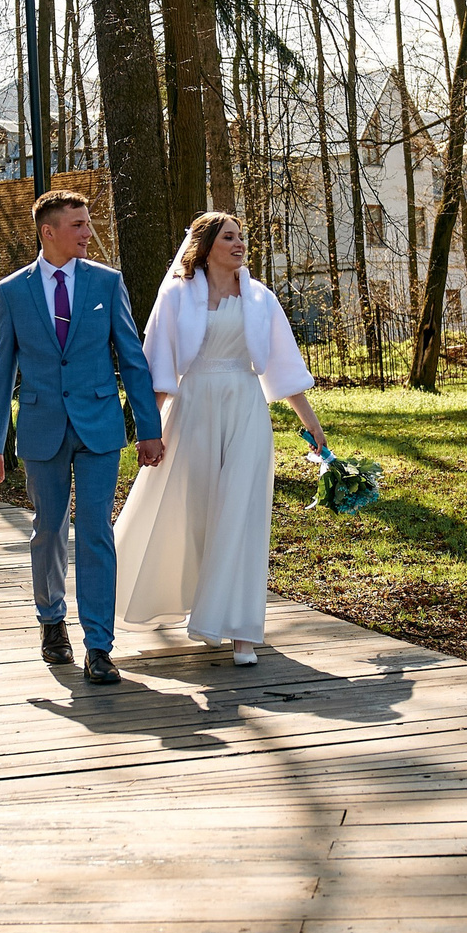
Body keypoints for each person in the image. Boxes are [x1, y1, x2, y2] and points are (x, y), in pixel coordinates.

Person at [114, 212, 324, 667]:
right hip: (193, 411)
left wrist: (312, 426)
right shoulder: (176, 296)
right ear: (205, 246)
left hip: (246, 407)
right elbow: (161, 368)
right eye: (229, 237)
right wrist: (148, 429)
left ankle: (242, 631)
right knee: (195, 515)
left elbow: (284, 369)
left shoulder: (260, 299)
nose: (239, 243)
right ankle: (204, 610)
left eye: (242, 236)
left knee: (242, 515)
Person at [0, 189, 165, 684]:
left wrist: (149, 428)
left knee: (98, 533)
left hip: (100, 426)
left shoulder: (107, 282)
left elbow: (132, 358)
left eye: (88, 224)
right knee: (48, 530)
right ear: (50, 231)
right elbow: (2, 369)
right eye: (79, 225)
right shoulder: (13, 291)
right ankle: (51, 620)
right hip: (42, 427)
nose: (88, 233)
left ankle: (100, 646)